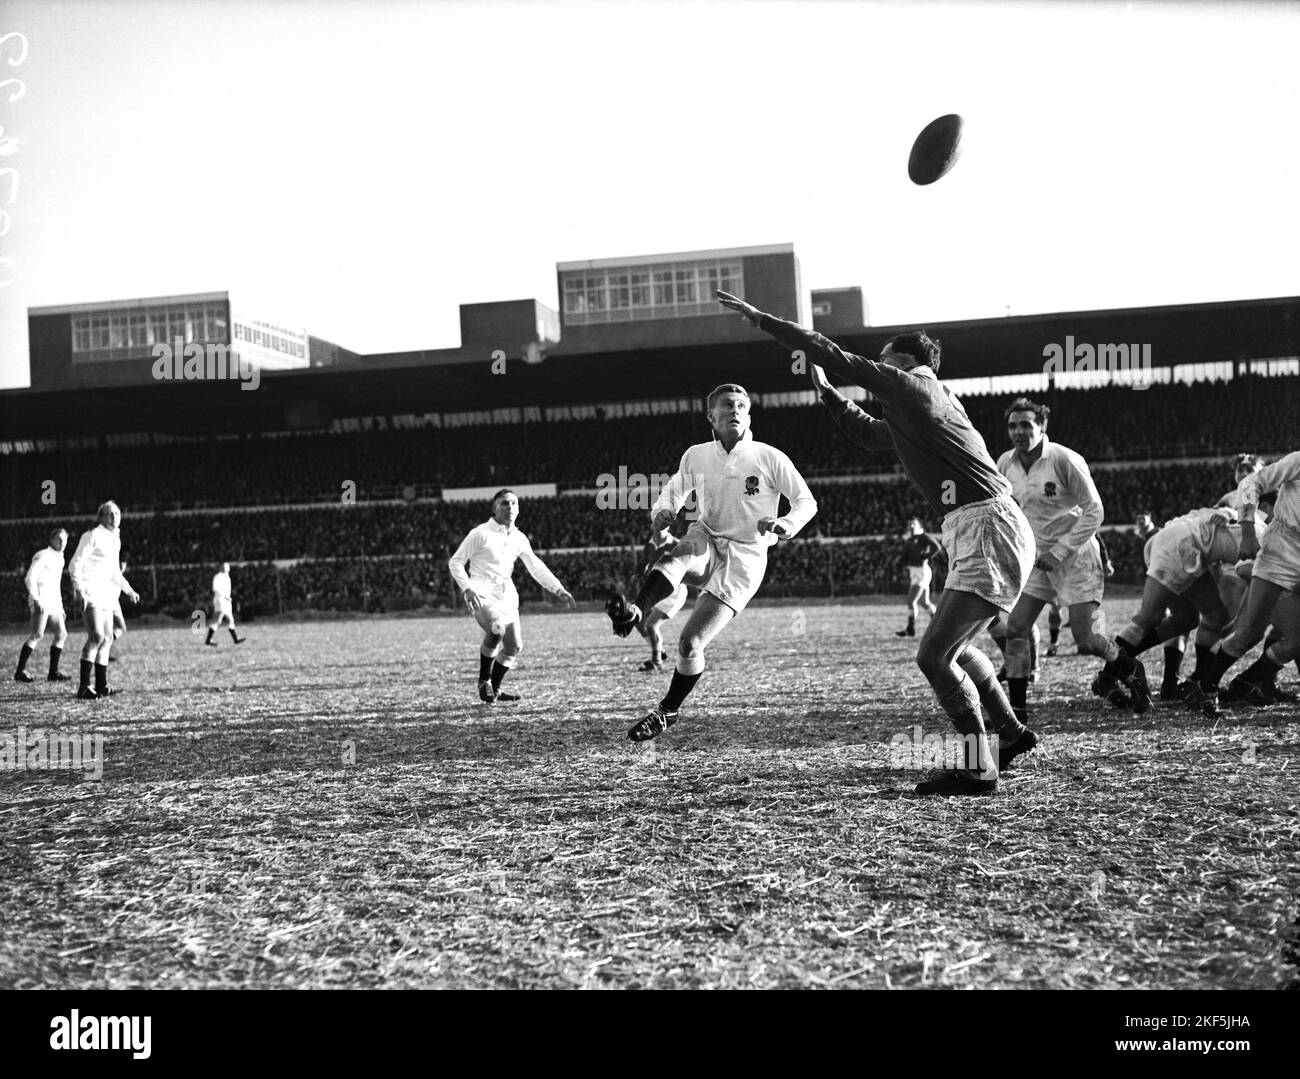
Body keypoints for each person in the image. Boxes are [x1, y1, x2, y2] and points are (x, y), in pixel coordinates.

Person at [721, 289, 1036, 795]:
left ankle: (980, 766)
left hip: (984, 524)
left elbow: (831, 350)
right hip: (981, 523)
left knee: (934, 658)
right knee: (958, 648)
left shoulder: (914, 387)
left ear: (906, 363)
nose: (877, 369)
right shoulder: (923, 409)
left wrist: (763, 320)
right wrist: (829, 395)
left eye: (884, 361)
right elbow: (870, 435)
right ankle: (1011, 734)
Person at [605, 383, 817, 742]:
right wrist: (664, 511)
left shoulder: (769, 456)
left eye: (741, 405)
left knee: (690, 643)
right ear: (711, 416)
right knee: (681, 552)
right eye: (727, 405)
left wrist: (786, 525)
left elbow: (806, 501)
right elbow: (674, 490)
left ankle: (668, 710)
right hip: (708, 534)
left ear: (749, 414)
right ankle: (637, 611)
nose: (735, 410)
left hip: (746, 556)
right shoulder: (697, 455)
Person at [998, 398, 1132, 722]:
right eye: (1013, 425)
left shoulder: (1063, 459)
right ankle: (1017, 711)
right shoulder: (1004, 463)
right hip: (1037, 560)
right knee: (1016, 628)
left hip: (1075, 557)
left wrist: (1060, 550)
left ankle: (1124, 663)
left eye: (1026, 425)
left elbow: (1095, 509)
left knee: (1086, 641)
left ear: (1042, 427)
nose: (1018, 431)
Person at [1187, 449, 1300, 713]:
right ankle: (1207, 687)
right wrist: (1247, 529)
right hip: (1278, 552)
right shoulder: (1297, 461)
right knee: (1250, 632)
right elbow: (1251, 483)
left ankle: (1249, 681)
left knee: (1296, 637)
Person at [448, 489, 575, 703]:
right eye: (504, 503)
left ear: (518, 508)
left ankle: (495, 690)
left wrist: (558, 589)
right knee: (496, 628)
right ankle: (484, 682)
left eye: (513, 503)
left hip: (506, 596)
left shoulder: (518, 537)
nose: (509, 507)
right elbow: (456, 561)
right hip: (481, 592)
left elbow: (535, 566)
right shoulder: (480, 533)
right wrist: (467, 589)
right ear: (494, 508)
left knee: (514, 647)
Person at [68, 501, 140, 700]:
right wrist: (79, 591)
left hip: (107, 596)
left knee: (108, 638)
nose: (114, 516)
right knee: (97, 637)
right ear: (101, 517)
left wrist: (129, 590)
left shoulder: (115, 539)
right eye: (109, 514)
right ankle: (84, 686)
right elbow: (75, 564)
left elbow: (114, 572)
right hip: (91, 593)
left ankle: (101, 685)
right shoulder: (92, 535)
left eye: (117, 513)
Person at [14, 527, 71, 683]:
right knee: (37, 634)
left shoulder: (60, 558)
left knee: (62, 633)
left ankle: (53, 673)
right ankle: (20, 671)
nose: (61, 542)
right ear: (51, 540)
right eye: (58, 539)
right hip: (41, 599)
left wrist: (60, 607)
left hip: (54, 602)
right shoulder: (43, 555)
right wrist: (36, 599)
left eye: (64, 540)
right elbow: (29, 578)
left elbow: (55, 585)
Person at [633, 525, 688, 672]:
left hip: (674, 591)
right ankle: (659, 650)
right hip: (656, 591)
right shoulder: (650, 545)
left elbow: (687, 567)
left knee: (651, 625)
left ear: (669, 525)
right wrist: (638, 573)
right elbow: (645, 562)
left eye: (663, 523)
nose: (659, 527)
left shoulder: (676, 544)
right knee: (637, 621)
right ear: (652, 524)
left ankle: (656, 661)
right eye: (656, 523)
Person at [895, 517, 940, 637]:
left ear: (919, 525)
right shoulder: (910, 540)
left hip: (922, 572)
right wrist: (899, 562)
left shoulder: (923, 536)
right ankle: (939, 626)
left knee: (911, 600)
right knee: (924, 602)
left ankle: (911, 629)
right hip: (914, 572)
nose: (910, 526)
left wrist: (926, 556)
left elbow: (937, 547)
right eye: (909, 524)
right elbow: (905, 555)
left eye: (913, 524)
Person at [205, 562, 247, 646]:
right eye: (224, 567)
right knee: (218, 619)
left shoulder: (227, 577)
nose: (226, 568)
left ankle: (235, 639)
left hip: (226, 601)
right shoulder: (218, 577)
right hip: (220, 600)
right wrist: (225, 597)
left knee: (230, 620)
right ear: (221, 568)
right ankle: (208, 640)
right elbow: (216, 589)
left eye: (227, 567)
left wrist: (228, 597)